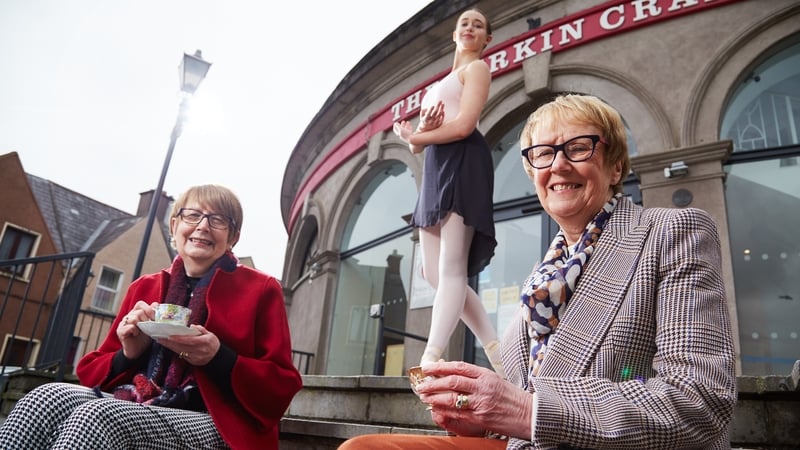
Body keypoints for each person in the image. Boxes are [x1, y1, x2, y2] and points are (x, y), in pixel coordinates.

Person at [339, 94, 737, 449]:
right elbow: (515, 409)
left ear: (616, 168)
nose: (559, 164)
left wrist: (528, 411)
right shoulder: (542, 276)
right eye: (543, 154)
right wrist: (476, 419)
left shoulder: (672, 232)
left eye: (579, 147)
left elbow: (698, 404)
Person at [0, 184, 302, 450]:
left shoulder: (262, 289)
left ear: (233, 236)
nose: (202, 226)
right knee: (43, 399)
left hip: (218, 422)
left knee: (98, 417)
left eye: (218, 220)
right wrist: (130, 353)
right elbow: (90, 372)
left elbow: (281, 387)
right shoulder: (145, 287)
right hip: (137, 402)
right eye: (192, 215)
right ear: (174, 226)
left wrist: (218, 356)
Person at [393, 7, 503, 377]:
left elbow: (464, 125)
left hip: (463, 160)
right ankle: (499, 353)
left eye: (478, 24)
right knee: (432, 272)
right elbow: (418, 146)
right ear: (454, 35)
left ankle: (431, 356)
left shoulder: (477, 69)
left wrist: (417, 135)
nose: (470, 27)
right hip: (435, 169)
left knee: (452, 268)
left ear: (487, 39)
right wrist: (418, 133)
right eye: (464, 23)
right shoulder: (438, 84)